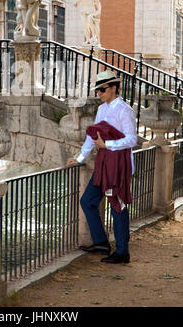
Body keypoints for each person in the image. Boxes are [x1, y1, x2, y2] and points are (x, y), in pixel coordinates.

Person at [67, 70, 137, 263]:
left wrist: (108, 145)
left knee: (118, 206)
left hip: (119, 166)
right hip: (104, 164)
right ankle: (101, 243)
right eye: (98, 90)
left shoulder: (125, 110)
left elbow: (132, 139)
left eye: (102, 89)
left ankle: (123, 252)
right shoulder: (101, 110)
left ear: (113, 88)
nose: (99, 93)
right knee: (87, 201)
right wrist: (80, 157)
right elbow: (93, 136)